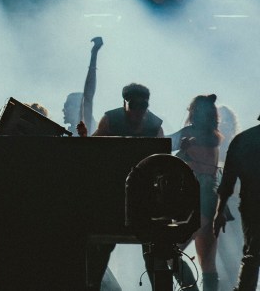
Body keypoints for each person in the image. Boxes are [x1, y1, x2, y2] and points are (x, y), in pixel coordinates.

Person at [86, 82, 166, 291]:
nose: (138, 111)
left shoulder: (155, 126)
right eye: (134, 105)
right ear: (125, 103)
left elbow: (163, 160)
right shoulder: (110, 120)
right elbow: (92, 150)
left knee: (153, 250)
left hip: (144, 198)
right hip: (113, 194)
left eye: (143, 106)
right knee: (101, 247)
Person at [169, 94, 222, 291]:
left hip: (198, 199)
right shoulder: (213, 137)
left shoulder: (196, 135)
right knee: (207, 262)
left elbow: (163, 145)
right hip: (207, 199)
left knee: (170, 252)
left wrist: (181, 150)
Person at [214, 112, 260, 291]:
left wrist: (220, 210)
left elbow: (228, 181)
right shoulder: (243, 141)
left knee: (253, 253)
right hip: (252, 204)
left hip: (251, 205)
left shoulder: (242, 140)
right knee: (253, 253)